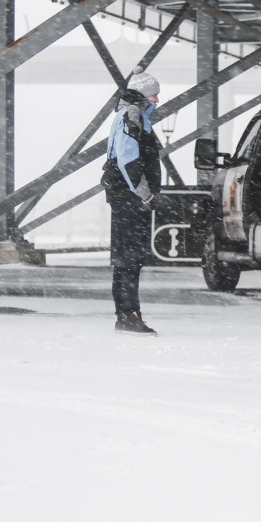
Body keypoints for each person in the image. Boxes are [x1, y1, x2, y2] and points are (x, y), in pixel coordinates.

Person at [102, 68, 162, 335]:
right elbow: (128, 158)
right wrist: (144, 192)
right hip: (129, 196)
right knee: (131, 257)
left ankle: (126, 314)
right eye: (154, 93)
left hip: (121, 194)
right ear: (143, 93)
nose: (157, 99)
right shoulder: (133, 114)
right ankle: (129, 315)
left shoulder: (126, 113)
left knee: (125, 257)